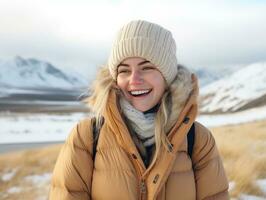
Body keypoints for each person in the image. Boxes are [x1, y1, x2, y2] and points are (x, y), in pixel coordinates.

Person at [49, 20, 229, 200]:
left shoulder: (197, 140)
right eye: (124, 71)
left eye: (147, 67)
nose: (134, 80)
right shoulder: (86, 137)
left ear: (167, 77)